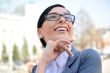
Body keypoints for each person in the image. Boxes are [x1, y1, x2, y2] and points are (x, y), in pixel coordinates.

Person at [32, 4, 102, 73]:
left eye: (67, 17)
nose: (62, 19)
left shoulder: (88, 58)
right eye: (53, 16)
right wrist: (43, 62)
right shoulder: (36, 69)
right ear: (39, 32)